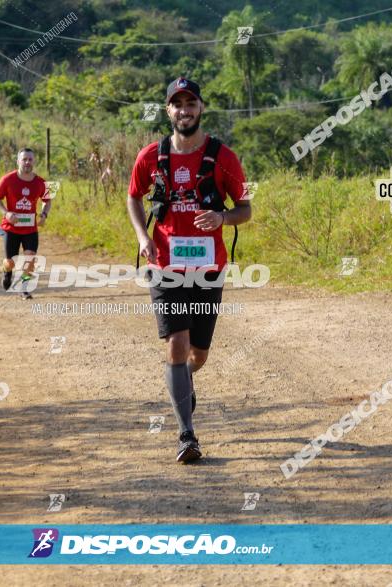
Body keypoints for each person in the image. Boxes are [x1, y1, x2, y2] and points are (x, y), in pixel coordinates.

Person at [127, 77, 252, 464]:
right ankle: (187, 435)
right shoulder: (152, 155)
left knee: (198, 354)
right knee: (176, 346)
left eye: (191, 103)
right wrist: (141, 236)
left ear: (201, 108)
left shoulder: (222, 157)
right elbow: (133, 196)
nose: (184, 110)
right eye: (177, 104)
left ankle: (186, 378)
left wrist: (223, 217)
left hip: (207, 267)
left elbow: (245, 208)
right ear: (169, 111)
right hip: (164, 264)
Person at [0, 148, 52, 300]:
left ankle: (24, 288)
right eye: (24, 159)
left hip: (30, 229)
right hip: (10, 228)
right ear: (18, 161)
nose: (27, 162)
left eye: (30, 159)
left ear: (34, 162)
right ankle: (7, 272)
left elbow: (48, 200)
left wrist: (44, 214)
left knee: (30, 259)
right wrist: (7, 213)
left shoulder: (41, 182)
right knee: (10, 262)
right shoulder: (7, 179)